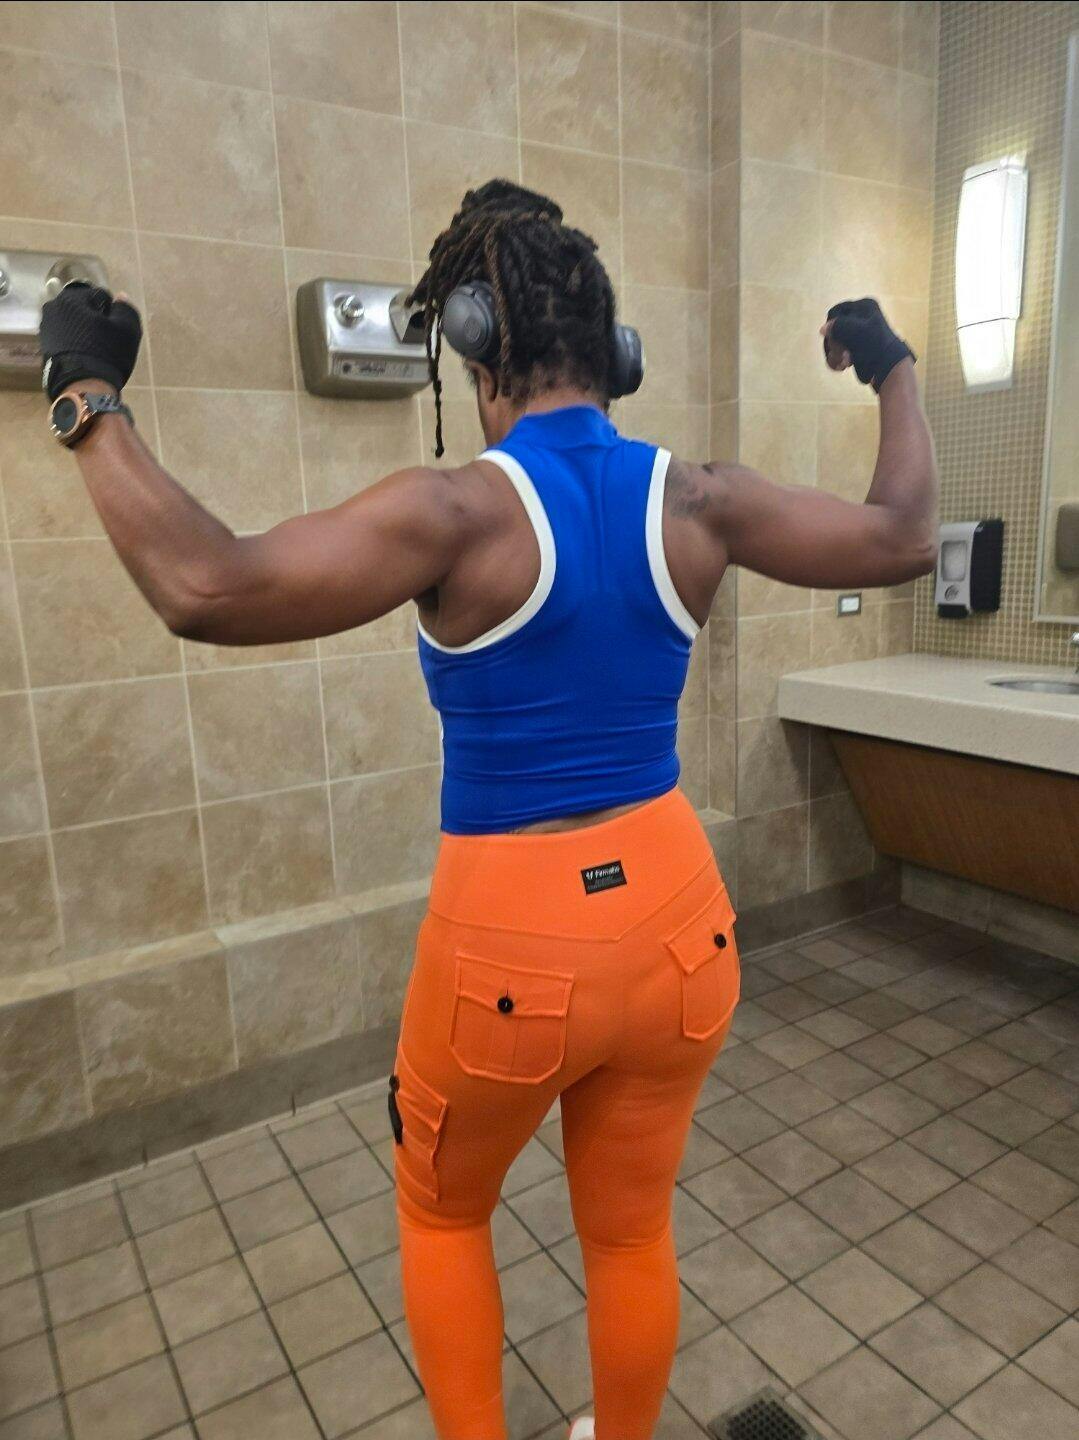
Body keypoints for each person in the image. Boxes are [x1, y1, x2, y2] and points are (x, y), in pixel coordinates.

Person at [36, 179, 938, 1440]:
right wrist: (892, 367)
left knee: (443, 1212)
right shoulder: (701, 500)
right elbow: (904, 536)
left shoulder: (454, 512)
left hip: (511, 947)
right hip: (680, 925)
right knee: (629, 1229)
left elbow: (204, 585)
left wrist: (85, 396)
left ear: (472, 345)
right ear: (617, 354)